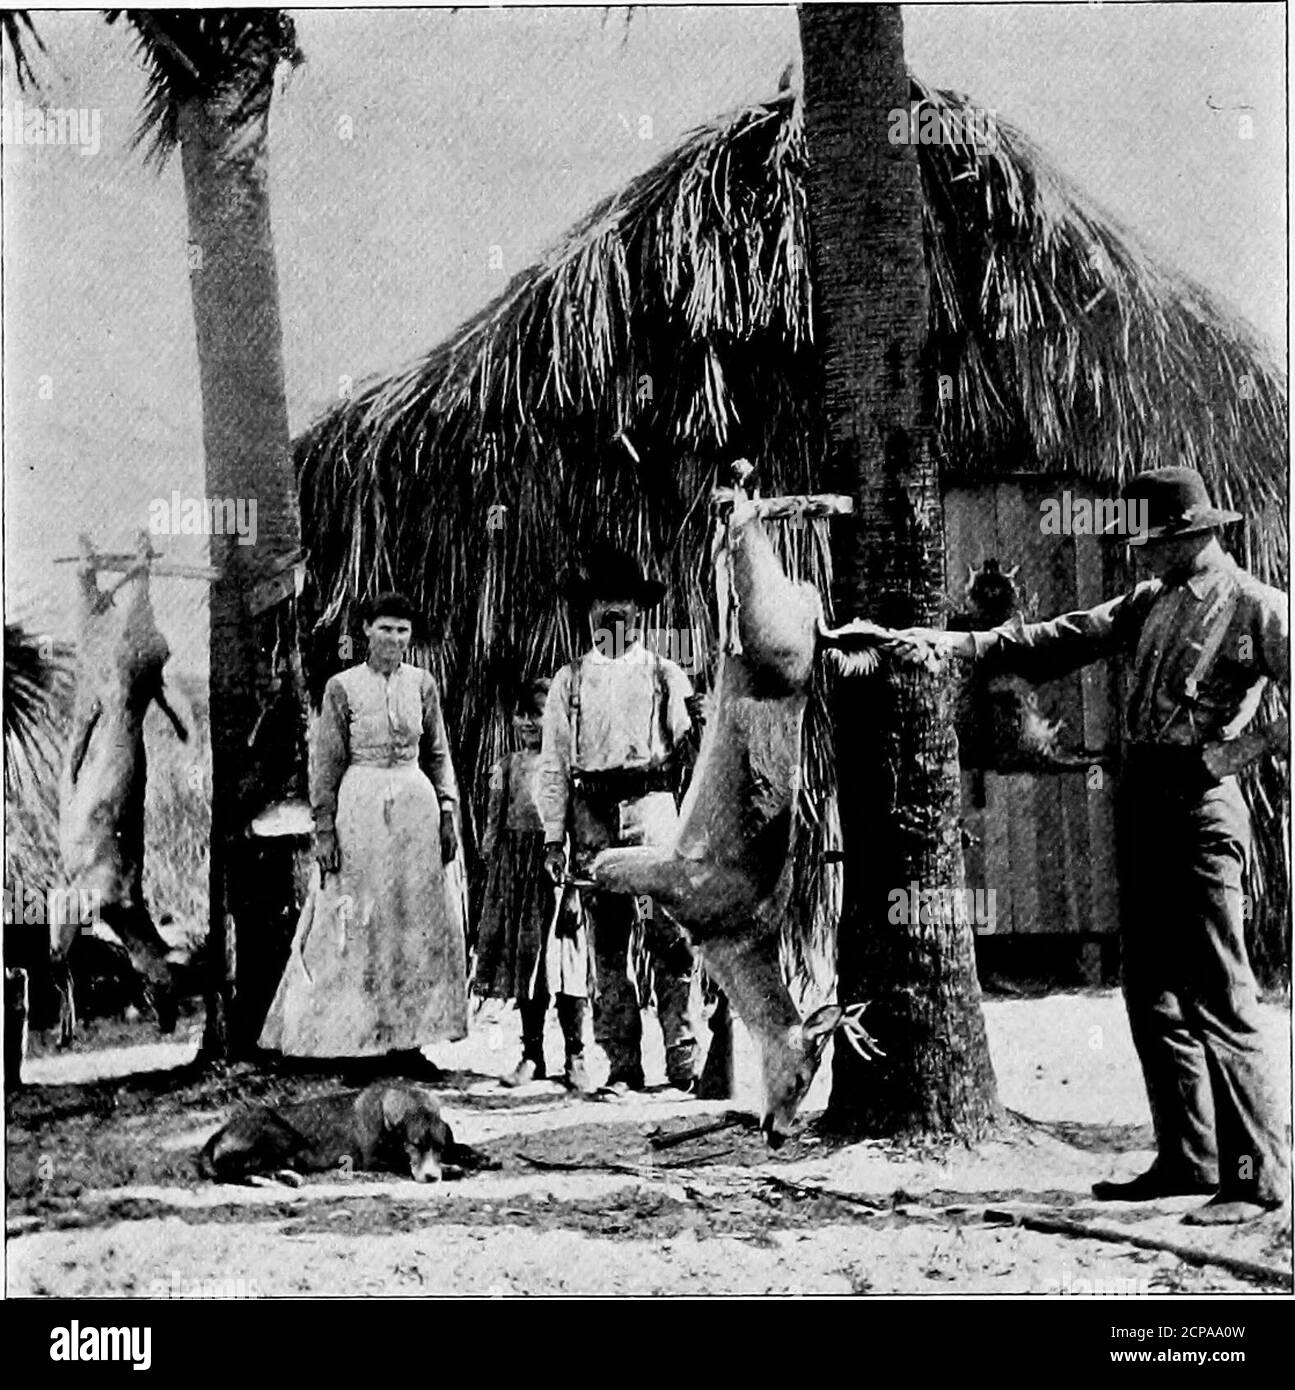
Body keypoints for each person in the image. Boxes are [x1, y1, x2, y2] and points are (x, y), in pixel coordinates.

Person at [898, 466, 1289, 1225]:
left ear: (1189, 535)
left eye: (1147, 542)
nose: (1136, 556)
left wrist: (1229, 757)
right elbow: (1060, 639)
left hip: (1201, 806)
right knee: (1149, 990)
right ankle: (1189, 1159)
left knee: (1219, 993)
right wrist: (958, 646)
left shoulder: (1255, 607)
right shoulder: (1148, 601)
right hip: (1143, 798)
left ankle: (1253, 1177)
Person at [259, 591, 468, 1077]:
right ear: (366, 631)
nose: (394, 638)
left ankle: (408, 1044)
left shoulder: (423, 685)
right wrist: (325, 828)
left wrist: (447, 810)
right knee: (357, 921)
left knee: (411, 921)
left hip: (415, 809)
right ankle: (357, 1043)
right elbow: (327, 762)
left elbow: (438, 754)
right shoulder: (343, 687)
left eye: (402, 630)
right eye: (385, 628)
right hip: (360, 809)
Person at [536, 543, 701, 1097]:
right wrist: (554, 837)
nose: (614, 613)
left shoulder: (665, 675)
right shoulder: (570, 682)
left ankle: (683, 1056)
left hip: (653, 812)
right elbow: (555, 766)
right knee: (607, 941)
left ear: (639, 611)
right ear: (588, 611)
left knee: (668, 934)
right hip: (593, 818)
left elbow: (693, 755)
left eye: (624, 603)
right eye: (603, 602)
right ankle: (622, 1060)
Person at [474, 677, 593, 1091]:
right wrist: (496, 874)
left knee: (566, 965)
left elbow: (577, 828)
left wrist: (575, 886)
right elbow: (493, 821)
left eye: (538, 714)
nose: (528, 722)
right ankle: (532, 1054)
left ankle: (576, 1055)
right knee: (530, 966)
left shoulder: (567, 767)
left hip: (554, 875)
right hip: (516, 876)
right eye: (522, 713)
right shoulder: (502, 767)